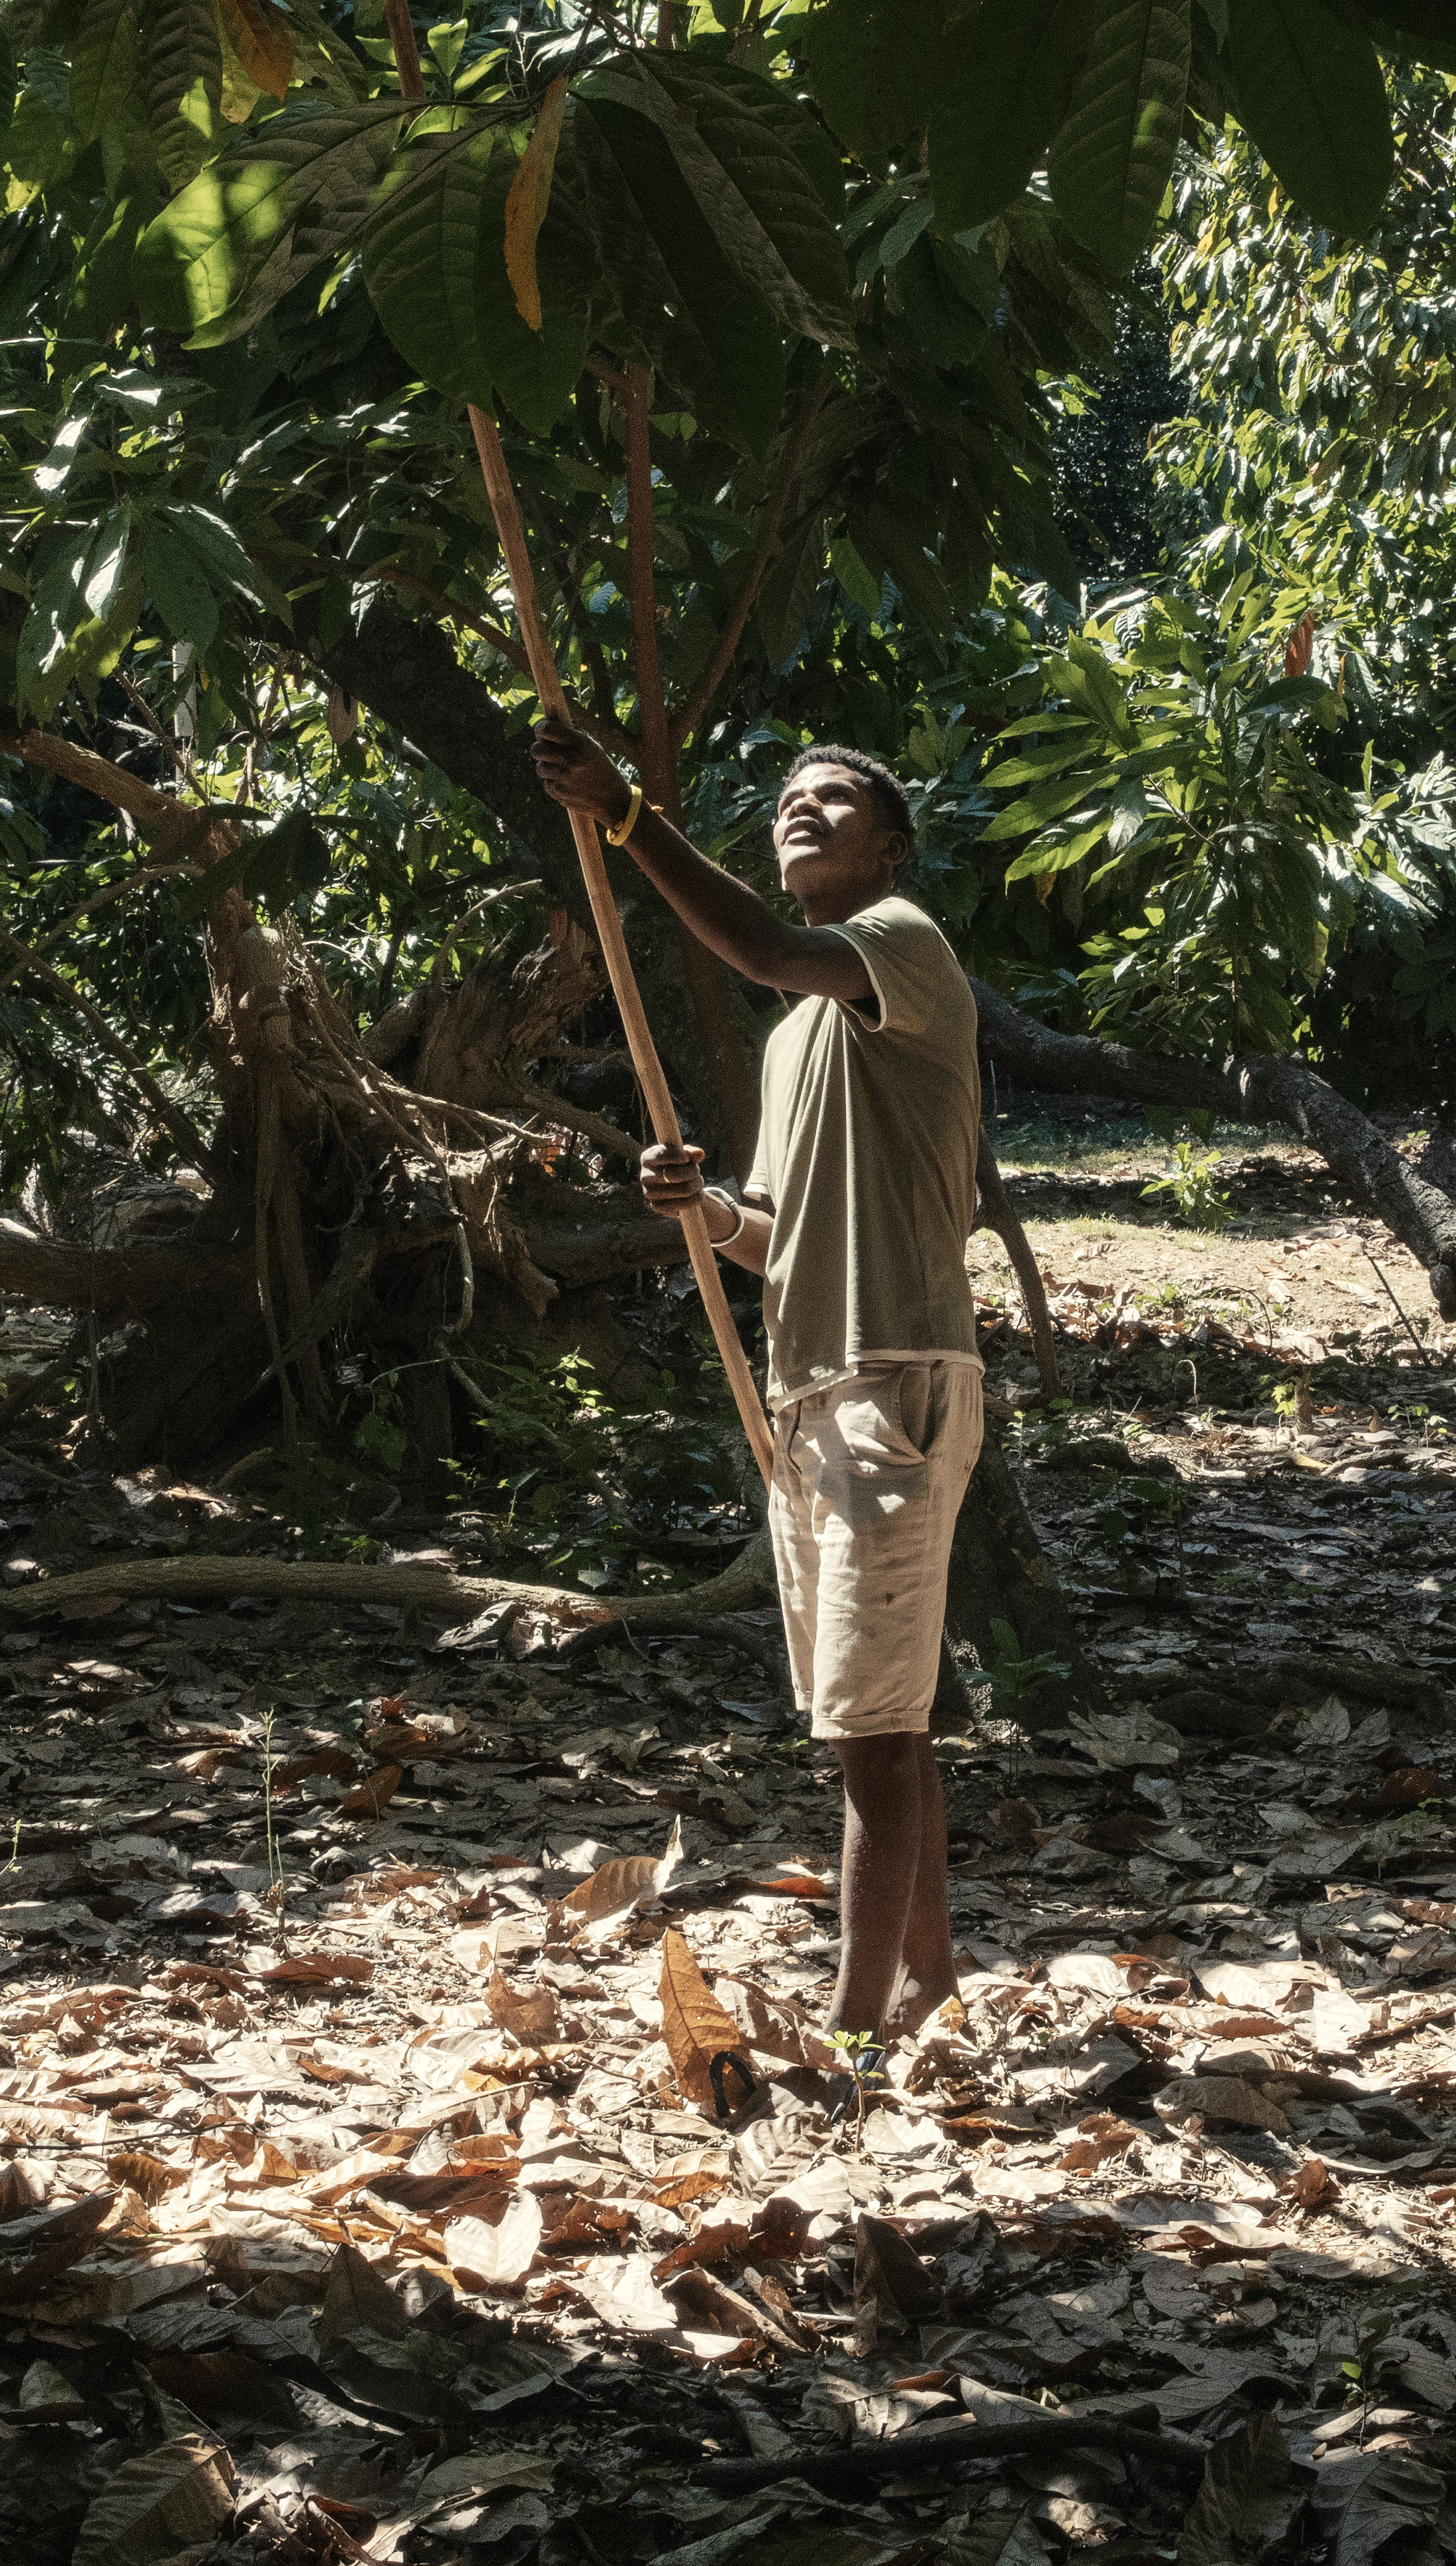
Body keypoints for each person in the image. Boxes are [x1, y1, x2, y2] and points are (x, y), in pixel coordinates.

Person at [529, 721, 980, 2044]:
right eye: (788, 798)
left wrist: (627, 819)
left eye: (834, 798)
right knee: (878, 1724)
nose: (803, 811)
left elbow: (770, 946)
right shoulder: (797, 1038)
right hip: (812, 1393)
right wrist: (708, 1208)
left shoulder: (903, 942)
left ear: (887, 845)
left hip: (891, 1374)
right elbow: (777, 1228)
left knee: (870, 1734)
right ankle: (929, 1987)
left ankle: (849, 2038)